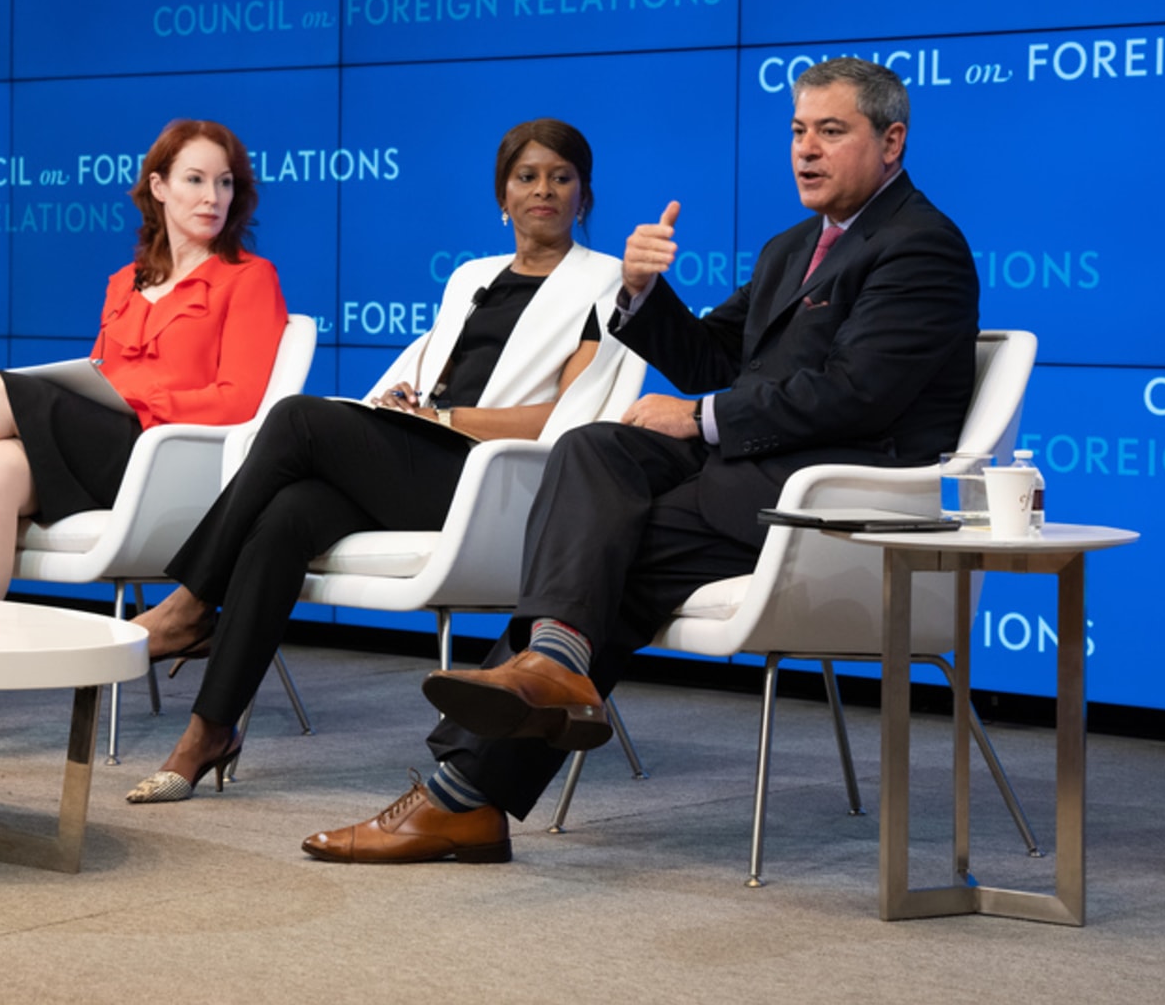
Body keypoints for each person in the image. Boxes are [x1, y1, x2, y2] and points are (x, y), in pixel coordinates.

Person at [302, 57, 980, 864]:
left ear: (892, 141)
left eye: (831, 132)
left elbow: (857, 395)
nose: (806, 149)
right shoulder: (793, 246)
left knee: (603, 559)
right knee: (594, 448)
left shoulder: (920, 247)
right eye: (799, 130)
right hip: (748, 479)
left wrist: (700, 418)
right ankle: (544, 678)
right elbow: (710, 356)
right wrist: (639, 293)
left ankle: (464, 790)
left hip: (825, 506)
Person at [123, 118, 632, 804]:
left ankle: (188, 603)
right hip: (424, 458)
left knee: (297, 418)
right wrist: (403, 403)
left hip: (495, 481)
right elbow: (426, 374)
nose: (543, 190)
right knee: (285, 518)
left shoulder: (608, 284)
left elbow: (568, 418)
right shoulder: (472, 276)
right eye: (527, 177)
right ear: (502, 196)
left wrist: (443, 419)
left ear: (584, 195)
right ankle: (207, 732)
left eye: (561, 178)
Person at [0, 118, 287, 765]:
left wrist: (140, 399)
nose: (211, 197)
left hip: (166, 464)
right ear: (158, 187)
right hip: (100, 449)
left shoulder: (249, 278)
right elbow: (101, 373)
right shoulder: (125, 282)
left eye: (225, 183)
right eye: (195, 180)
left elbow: (241, 400)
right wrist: (109, 391)